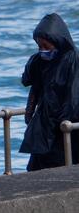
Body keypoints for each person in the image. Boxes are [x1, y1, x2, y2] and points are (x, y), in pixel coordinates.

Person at [20, 13, 79, 171]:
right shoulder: (41, 61)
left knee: (62, 165)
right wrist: (34, 61)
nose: (43, 50)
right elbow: (30, 83)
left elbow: (73, 96)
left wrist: (64, 121)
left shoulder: (72, 59)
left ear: (58, 42)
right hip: (43, 124)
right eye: (40, 46)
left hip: (62, 128)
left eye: (46, 46)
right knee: (36, 169)